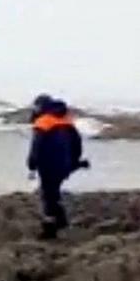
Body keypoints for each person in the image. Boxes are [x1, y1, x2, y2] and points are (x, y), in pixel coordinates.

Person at [26, 95, 87, 240]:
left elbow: (37, 146)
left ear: (40, 107)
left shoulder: (43, 122)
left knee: (48, 196)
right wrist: (74, 162)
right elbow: (77, 144)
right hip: (64, 165)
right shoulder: (66, 121)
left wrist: (31, 164)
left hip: (48, 164)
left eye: (35, 107)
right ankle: (61, 221)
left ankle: (50, 230)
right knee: (53, 192)